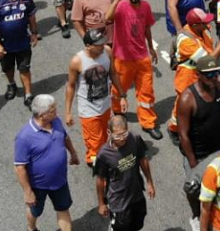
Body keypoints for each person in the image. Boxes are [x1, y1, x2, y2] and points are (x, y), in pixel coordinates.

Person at [179, 57, 220, 231]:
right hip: (199, 154)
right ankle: (196, 215)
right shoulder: (187, 99)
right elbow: (183, 135)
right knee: (193, 188)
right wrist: (193, 162)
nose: (213, 78)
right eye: (208, 75)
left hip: (218, 148)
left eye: (216, 73)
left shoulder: (218, 87)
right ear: (197, 75)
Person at [106, 0, 162, 140]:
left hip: (142, 57)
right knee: (119, 90)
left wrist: (151, 47)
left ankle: (148, 123)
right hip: (123, 58)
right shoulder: (121, 6)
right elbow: (107, 18)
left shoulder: (146, 6)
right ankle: (117, 113)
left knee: (147, 92)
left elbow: (146, 28)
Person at [14, 94, 79, 231]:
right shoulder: (24, 137)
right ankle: (31, 228)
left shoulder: (56, 122)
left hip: (60, 180)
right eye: (52, 110)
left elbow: (65, 138)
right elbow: (20, 167)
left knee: (63, 209)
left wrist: (73, 153)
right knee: (35, 211)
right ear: (42, 115)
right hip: (38, 185)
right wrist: (28, 192)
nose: (56, 112)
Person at [65, 28, 123, 167]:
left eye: (103, 43)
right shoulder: (77, 61)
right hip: (88, 111)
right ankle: (102, 174)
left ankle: (91, 159)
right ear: (88, 46)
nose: (102, 46)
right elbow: (71, 86)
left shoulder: (107, 51)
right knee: (95, 144)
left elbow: (113, 74)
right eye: (98, 45)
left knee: (104, 138)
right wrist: (67, 112)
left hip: (105, 106)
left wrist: (123, 95)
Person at [169, 9, 220, 135]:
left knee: (208, 98)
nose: (207, 24)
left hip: (205, 73)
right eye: (204, 22)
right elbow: (208, 60)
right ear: (194, 25)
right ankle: (175, 129)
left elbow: (210, 51)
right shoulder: (185, 41)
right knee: (183, 103)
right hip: (188, 75)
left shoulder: (203, 29)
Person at [95, 114, 156, 231]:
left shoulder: (135, 139)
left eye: (124, 134)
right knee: (121, 228)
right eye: (117, 135)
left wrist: (149, 182)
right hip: (118, 202)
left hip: (136, 195)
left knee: (137, 224)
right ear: (109, 133)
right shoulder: (103, 154)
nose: (122, 138)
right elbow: (99, 179)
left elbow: (143, 159)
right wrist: (101, 203)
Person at [0, 0, 39, 105]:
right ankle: (11, 84)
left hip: (23, 41)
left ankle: (28, 94)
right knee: (8, 68)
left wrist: (34, 33)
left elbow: (31, 16)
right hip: (5, 44)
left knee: (24, 68)